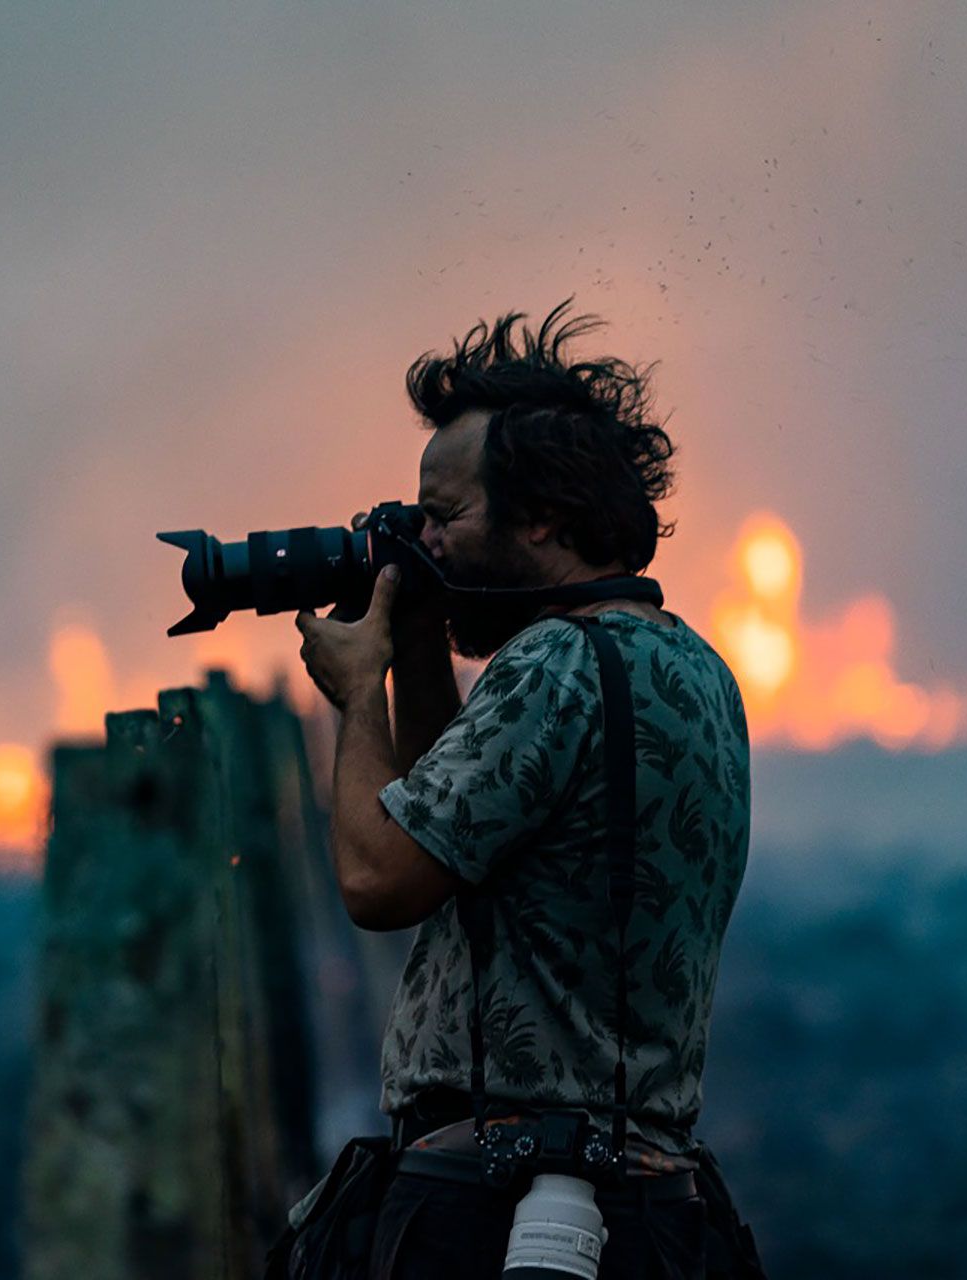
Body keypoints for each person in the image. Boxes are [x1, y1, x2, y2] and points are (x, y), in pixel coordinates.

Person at [287, 301, 766, 1278]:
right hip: (648, 1207)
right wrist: (418, 642)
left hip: (499, 1217)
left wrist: (354, 694)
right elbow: (451, 827)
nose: (426, 537)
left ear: (542, 516)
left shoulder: (554, 664)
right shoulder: (692, 668)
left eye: (445, 515)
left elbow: (381, 878)